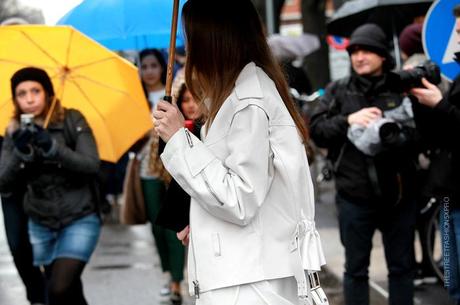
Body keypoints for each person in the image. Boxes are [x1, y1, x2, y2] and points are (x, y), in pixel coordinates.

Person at [153, 0, 327, 304]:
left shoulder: (249, 101)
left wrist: (180, 139)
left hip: (248, 282)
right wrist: (201, 218)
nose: (188, 51)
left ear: (213, 41)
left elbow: (238, 198)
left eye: (191, 39)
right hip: (244, 273)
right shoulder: (239, 95)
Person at [310, 24, 418, 305]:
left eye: (366, 50)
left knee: (402, 269)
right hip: (354, 196)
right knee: (356, 271)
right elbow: (316, 129)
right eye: (354, 51)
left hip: (399, 195)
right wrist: (349, 120)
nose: (359, 57)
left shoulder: (402, 88)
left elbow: (423, 135)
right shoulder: (338, 91)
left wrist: (397, 131)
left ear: (383, 55)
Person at [0, 67, 101, 305]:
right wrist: (20, 152)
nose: (30, 98)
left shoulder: (72, 119)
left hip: (80, 216)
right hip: (41, 223)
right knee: (71, 291)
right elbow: (3, 181)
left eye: (36, 90)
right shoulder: (13, 130)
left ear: (48, 93)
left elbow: (91, 164)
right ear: (15, 99)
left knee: (57, 289)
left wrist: (52, 148)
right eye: (21, 93)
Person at [409, 5, 460, 304]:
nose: (454, 33)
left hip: (456, 194)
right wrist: (422, 103)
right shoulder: (456, 78)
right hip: (446, 192)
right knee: (452, 276)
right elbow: (440, 135)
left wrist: (440, 104)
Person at [137, 48, 186, 304]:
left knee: (173, 224)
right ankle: (168, 274)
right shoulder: (135, 99)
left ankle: (177, 280)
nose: (149, 71)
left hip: (173, 169)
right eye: (143, 66)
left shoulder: (174, 93)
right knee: (156, 226)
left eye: (153, 65)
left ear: (162, 67)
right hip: (147, 170)